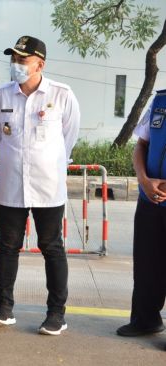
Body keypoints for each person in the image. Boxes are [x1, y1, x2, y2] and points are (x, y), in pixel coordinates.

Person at [0, 36, 80, 336]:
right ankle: (4, 308)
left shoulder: (61, 95)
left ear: (40, 64)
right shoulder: (0, 97)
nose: (16, 64)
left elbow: (68, 139)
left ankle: (56, 314)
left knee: (51, 247)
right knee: (8, 245)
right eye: (13, 59)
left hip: (47, 185)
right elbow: (0, 137)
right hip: (11, 184)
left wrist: (49, 163)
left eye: (22, 60)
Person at [116, 90, 166, 346]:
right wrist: (143, 180)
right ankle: (146, 319)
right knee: (147, 263)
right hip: (150, 198)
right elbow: (142, 144)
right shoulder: (160, 101)